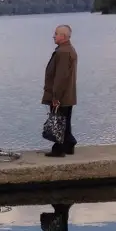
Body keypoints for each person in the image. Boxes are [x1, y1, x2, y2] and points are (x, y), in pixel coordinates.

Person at [42, 24, 78, 157]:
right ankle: (69, 144)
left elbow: (60, 77)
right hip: (68, 95)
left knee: (59, 121)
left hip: (61, 96)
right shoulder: (69, 49)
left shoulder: (63, 52)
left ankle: (59, 149)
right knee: (64, 120)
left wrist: (56, 97)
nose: (53, 36)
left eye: (56, 33)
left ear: (62, 36)